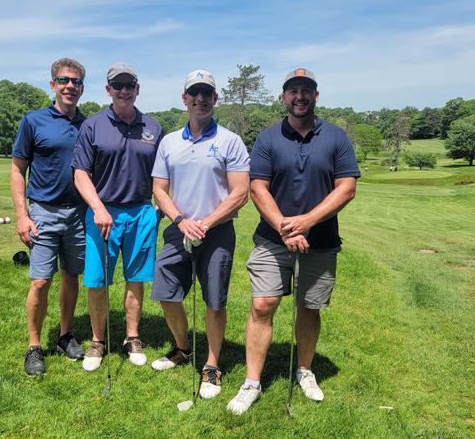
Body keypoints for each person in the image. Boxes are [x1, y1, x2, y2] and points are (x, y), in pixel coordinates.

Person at [227, 68, 360, 414]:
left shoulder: (336, 137)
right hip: (273, 239)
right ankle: (252, 382)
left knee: (309, 306)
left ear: (317, 96)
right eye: (293, 91)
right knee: (262, 305)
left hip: (321, 241)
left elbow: (346, 187)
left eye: (306, 90)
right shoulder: (269, 138)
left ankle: (304, 371)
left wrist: (306, 223)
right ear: (284, 97)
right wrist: (286, 228)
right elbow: (258, 187)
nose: (299, 96)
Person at [150, 70, 250, 400]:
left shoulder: (229, 140)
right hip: (179, 230)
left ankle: (211, 364)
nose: (200, 98)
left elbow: (240, 193)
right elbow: (159, 190)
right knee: (166, 292)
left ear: (215, 98)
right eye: (194, 92)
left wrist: (205, 222)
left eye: (207, 92)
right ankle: (182, 348)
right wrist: (181, 221)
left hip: (216, 232)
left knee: (215, 300)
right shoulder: (169, 142)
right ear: (184, 98)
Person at [73, 63, 164, 371]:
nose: (124, 91)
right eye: (118, 85)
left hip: (141, 211)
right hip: (103, 212)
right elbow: (81, 173)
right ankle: (98, 340)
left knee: (136, 278)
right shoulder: (93, 125)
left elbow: (163, 174)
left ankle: (132, 337)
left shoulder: (153, 128)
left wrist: (162, 204)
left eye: (129, 85)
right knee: (97, 280)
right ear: (108, 90)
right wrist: (98, 208)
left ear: (137, 89)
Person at [11, 58, 87, 376]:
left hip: (79, 214)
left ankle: (65, 335)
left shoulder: (88, 124)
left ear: (82, 87)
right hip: (43, 212)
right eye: (64, 80)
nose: (70, 86)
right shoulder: (34, 121)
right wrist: (22, 215)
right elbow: (17, 170)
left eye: (77, 82)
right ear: (53, 84)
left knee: (71, 277)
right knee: (41, 281)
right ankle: (34, 345)